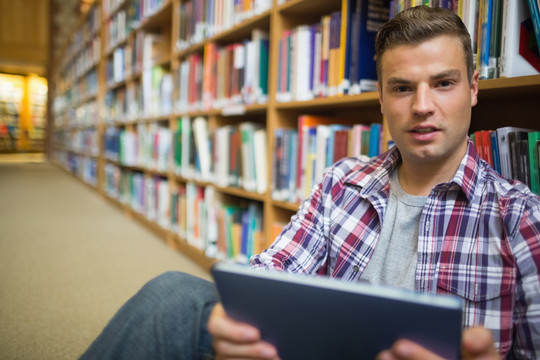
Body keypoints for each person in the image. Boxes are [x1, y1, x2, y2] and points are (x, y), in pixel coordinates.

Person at [80, 6, 540, 360]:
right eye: (402, 88)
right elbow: (275, 269)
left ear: (473, 89)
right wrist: (237, 317)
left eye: (443, 83)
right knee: (176, 295)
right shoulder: (343, 182)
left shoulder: (520, 217)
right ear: (380, 98)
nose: (422, 105)